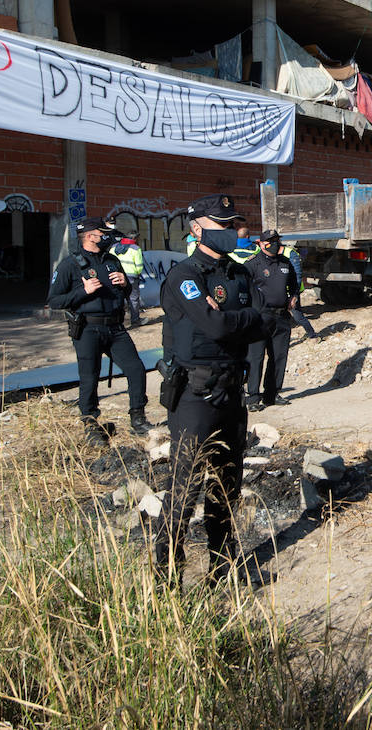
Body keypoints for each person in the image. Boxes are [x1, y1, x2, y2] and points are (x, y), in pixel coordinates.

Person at [154, 194, 264, 584]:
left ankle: (222, 567)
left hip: (234, 393)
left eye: (233, 223)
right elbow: (214, 327)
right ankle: (166, 577)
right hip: (196, 396)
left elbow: (264, 321)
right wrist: (243, 319)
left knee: (226, 485)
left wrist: (238, 318)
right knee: (184, 490)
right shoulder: (185, 275)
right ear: (197, 228)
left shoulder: (239, 274)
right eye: (223, 225)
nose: (232, 231)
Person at [46, 215, 150, 445]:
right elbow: (53, 301)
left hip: (115, 327)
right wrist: (83, 292)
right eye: (102, 233)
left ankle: (138, 417)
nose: (107, 236)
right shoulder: (70, 264)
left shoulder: (111, 260)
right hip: (87, 328)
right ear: (90, 236)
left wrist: (125, 284)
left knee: (136, 369)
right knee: (90, 377)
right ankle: (90, 423)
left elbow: (123, 294)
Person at [243, 229, 299, 412]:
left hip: (281, 316)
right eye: (270, 241)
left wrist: (294, 296)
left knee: (279, 356)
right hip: (260, 317)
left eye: (276, 240)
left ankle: (272, 394)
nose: (274, 244)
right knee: (256, 357)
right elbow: (242, 289)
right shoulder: (252, 264)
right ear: (260, 243)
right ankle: (253, 397)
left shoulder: (285, 263)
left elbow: (293, 284)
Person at [282, 242, 318, 339]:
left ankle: (312, 334)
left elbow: (297, 275)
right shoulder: (269, 254)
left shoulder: (290, 253)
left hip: (291, 290)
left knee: (298, 316)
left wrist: (295, 295)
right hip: (280, 291)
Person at [110, 232, 146, 327]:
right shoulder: (136, 249)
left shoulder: (114, 247)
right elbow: (139, 265)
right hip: (131, 276)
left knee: (118, 298)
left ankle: (117, 322)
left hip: (116, 275)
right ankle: (135, 320)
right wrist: (137, 273)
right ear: (135, 239)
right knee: (133, 299)